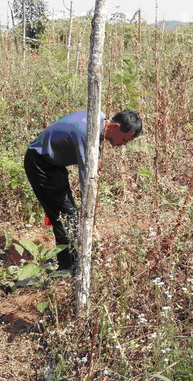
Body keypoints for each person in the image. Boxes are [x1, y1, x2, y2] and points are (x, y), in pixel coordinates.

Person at [24, 109, 142, 272]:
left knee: (69, 214)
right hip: (40, 165)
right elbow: (87, 180)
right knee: (65, 217)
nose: (123, 145)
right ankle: (67, 269)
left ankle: (74, 261)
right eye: (123, 139)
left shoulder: (99, 117)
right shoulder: (87, 133)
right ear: (114, 127)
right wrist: (90, 220)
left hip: (54, 165)